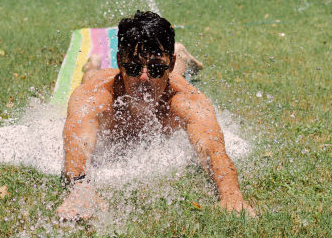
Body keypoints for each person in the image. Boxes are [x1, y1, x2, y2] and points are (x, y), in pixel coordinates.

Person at [57, 11, 255, 220]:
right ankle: (92, 65)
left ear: (169, 64)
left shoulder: (185, 100)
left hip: (174, 76)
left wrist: (231, 195)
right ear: (119, 62)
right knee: (90, 78)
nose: (144, 79)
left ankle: (182, 58)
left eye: (156, 69)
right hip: (99, 79)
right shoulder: (95, 95)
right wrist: (80, 188)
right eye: (132, 68)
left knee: (176, 78)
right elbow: (76, 142)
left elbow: (212, 150)